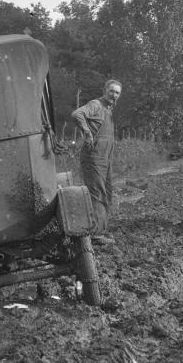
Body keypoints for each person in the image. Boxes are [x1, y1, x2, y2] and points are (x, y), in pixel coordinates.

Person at [72, 80, 123, 245]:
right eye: (111, 91)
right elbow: (77, 114)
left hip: (105, 159)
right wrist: (86, 131)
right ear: (105, 90)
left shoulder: (108, 110)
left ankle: (100, 231)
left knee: (106, 192)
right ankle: (96, 235)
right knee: (97, 194)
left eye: (117, 93)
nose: (114, 95)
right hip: (94, 158)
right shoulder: (96, 104)